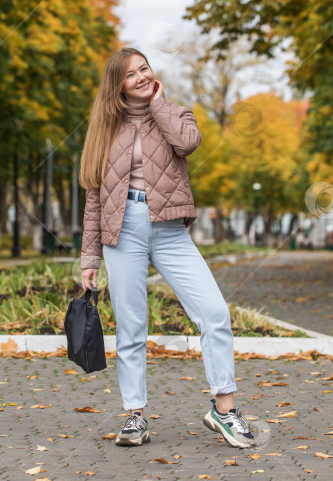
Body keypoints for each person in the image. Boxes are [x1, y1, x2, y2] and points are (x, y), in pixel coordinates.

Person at [78, 47, 257, 449]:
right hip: (122, 233)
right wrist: (90, 257)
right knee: (131, 325)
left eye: (145, 69)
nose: (141, 77)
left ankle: (224, 411)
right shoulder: (104, 129)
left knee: (214, 313)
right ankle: (135, 415)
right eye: (131, 74)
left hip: (172, 231)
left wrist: (158, 105)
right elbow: (93, 197)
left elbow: (187, 143)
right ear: (117, 85)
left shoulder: (176, 113)